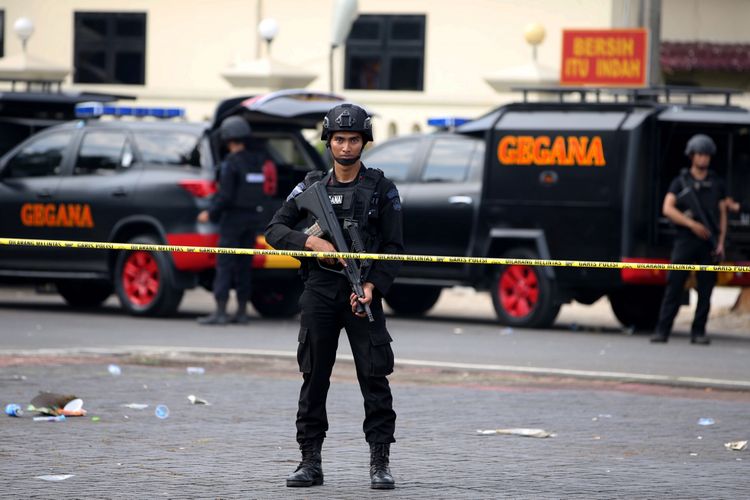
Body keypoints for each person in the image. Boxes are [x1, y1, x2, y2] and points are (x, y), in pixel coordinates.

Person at [265, 103, 404, 489]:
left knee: (375, 378)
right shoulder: (311, 187)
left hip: (363, 291)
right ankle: (310, 462)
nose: (346, 147)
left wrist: (374, 286)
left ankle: (380, 462)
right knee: (314, 377)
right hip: (321, 290)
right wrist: (311, 242)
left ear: (364, 142)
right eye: (339, 139)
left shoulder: (382, 189)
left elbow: (394, 248)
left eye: (353, 139)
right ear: (329, 141)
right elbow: (274, 230)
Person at [651, 134, 730, 345]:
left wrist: (721, 241)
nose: (703, 159)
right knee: (674, 286)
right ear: (692, 156)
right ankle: (662, 330)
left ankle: (698, 332)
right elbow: (667, 208)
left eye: (707, 155)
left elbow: (722, 214)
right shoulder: (680, 182)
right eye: (700, 154)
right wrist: (692, 225)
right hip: (685, 240)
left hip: (708, 243)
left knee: (706, 290)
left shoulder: (716, 184)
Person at [197, 116, 265, 326]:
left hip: (233, 220)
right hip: (252, 219)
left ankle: (220, 312)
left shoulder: (230, 164)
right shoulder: (256, 162)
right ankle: (242, 312)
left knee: (224, 264)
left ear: (227, 139)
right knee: (244, 265)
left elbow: (225, 196)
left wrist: (210, 213)